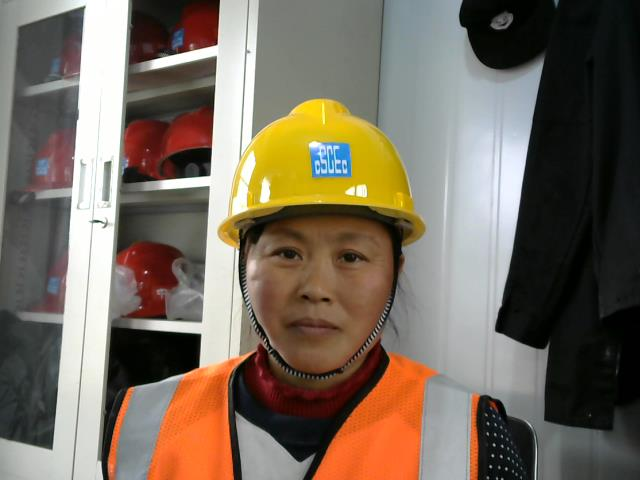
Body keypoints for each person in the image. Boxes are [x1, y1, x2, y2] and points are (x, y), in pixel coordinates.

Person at [103, 99, 528, 479]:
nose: (317, 288)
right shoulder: (147, 424)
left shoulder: (472, 438)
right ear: (244, 262)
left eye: (351, 257)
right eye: (288, 253)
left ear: (395, 272)